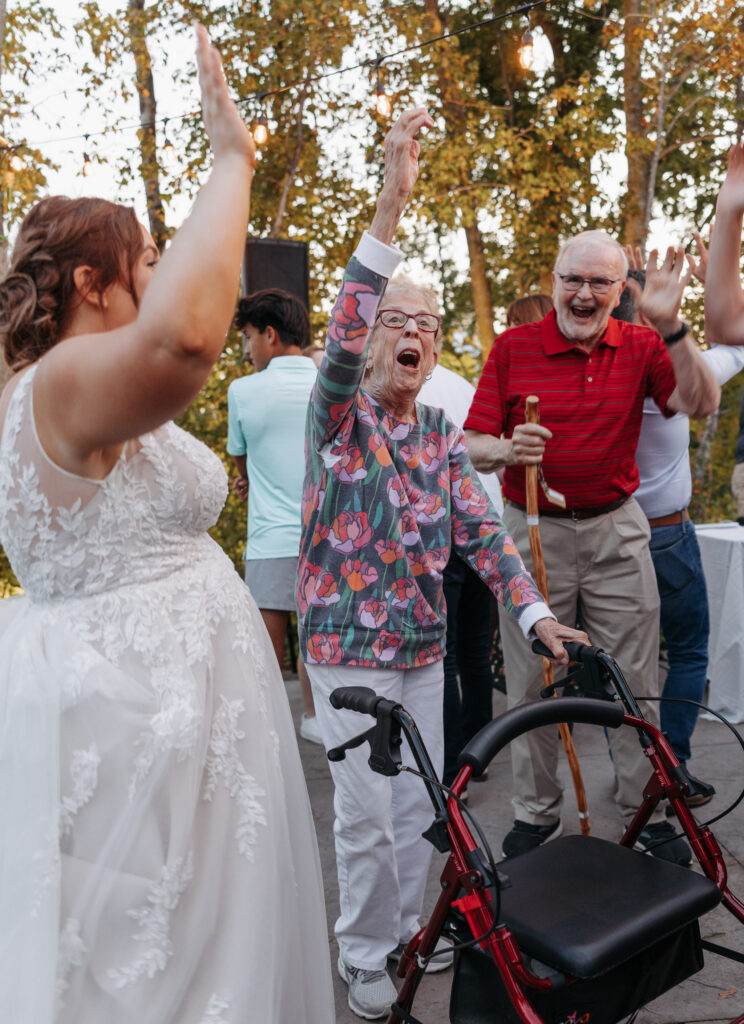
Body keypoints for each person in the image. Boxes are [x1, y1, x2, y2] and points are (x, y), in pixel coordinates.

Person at [0, 27, 334, 1023]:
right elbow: (188, 336)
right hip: (136, 721)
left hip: (177, 719)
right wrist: (232, 158)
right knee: (153, 973)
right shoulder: (58, 384)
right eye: (145, 257)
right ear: (95, 283)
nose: (160, 270)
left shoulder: (77, 394)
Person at [297, 108, 587, 1022]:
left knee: (423, 808)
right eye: (397, 320)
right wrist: (389, 205)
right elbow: (340, 338)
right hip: (347, 649)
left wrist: (537, 614)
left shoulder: (439, 434)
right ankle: (360, 956)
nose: (413, 332)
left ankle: (399, 940)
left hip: (421, 650)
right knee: (363, 815)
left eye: (428, 321)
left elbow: (486, 537)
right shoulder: (336, 418)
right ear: (372, 335)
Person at [464, 231, 720, 865]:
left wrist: (674, 328)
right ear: (553, 279)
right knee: (532, 680)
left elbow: (701, 403)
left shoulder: (641, 344)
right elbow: (468, 442)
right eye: (573, 279)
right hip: (531, 531)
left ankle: (647, 809)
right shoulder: (512, 346)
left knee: (636, 677)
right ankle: (535, 813)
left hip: (616, 528)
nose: (584, 294)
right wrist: (506, 449)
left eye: (600, 282)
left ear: (619, 290)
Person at [621, 237, 744, 805]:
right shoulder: (672, 372)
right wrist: (713, 283)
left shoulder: (597, 367)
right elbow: (736, 350)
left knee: (624, 664)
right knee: (689, 650)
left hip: (608, 535)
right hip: (667, 532)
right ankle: (675, 764)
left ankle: (637, 771)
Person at [227, 288, 321, 744]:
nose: (247, 350)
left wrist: (250, 480)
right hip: (329, 538)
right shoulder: (331, 384)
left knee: (265, 655)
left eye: (248, 337)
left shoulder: (242, 391)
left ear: (269, 334)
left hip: (270, 540)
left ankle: (267, 739)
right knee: (318, 643)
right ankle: (317, 720)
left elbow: (242, 463)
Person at [418, 362, 504, 791]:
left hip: (449, 526)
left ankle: (453, 774)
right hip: (486, 520)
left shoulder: (406, 391)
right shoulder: (464, 385)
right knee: (474, 651)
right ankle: (480, 755)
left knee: (447, 656)